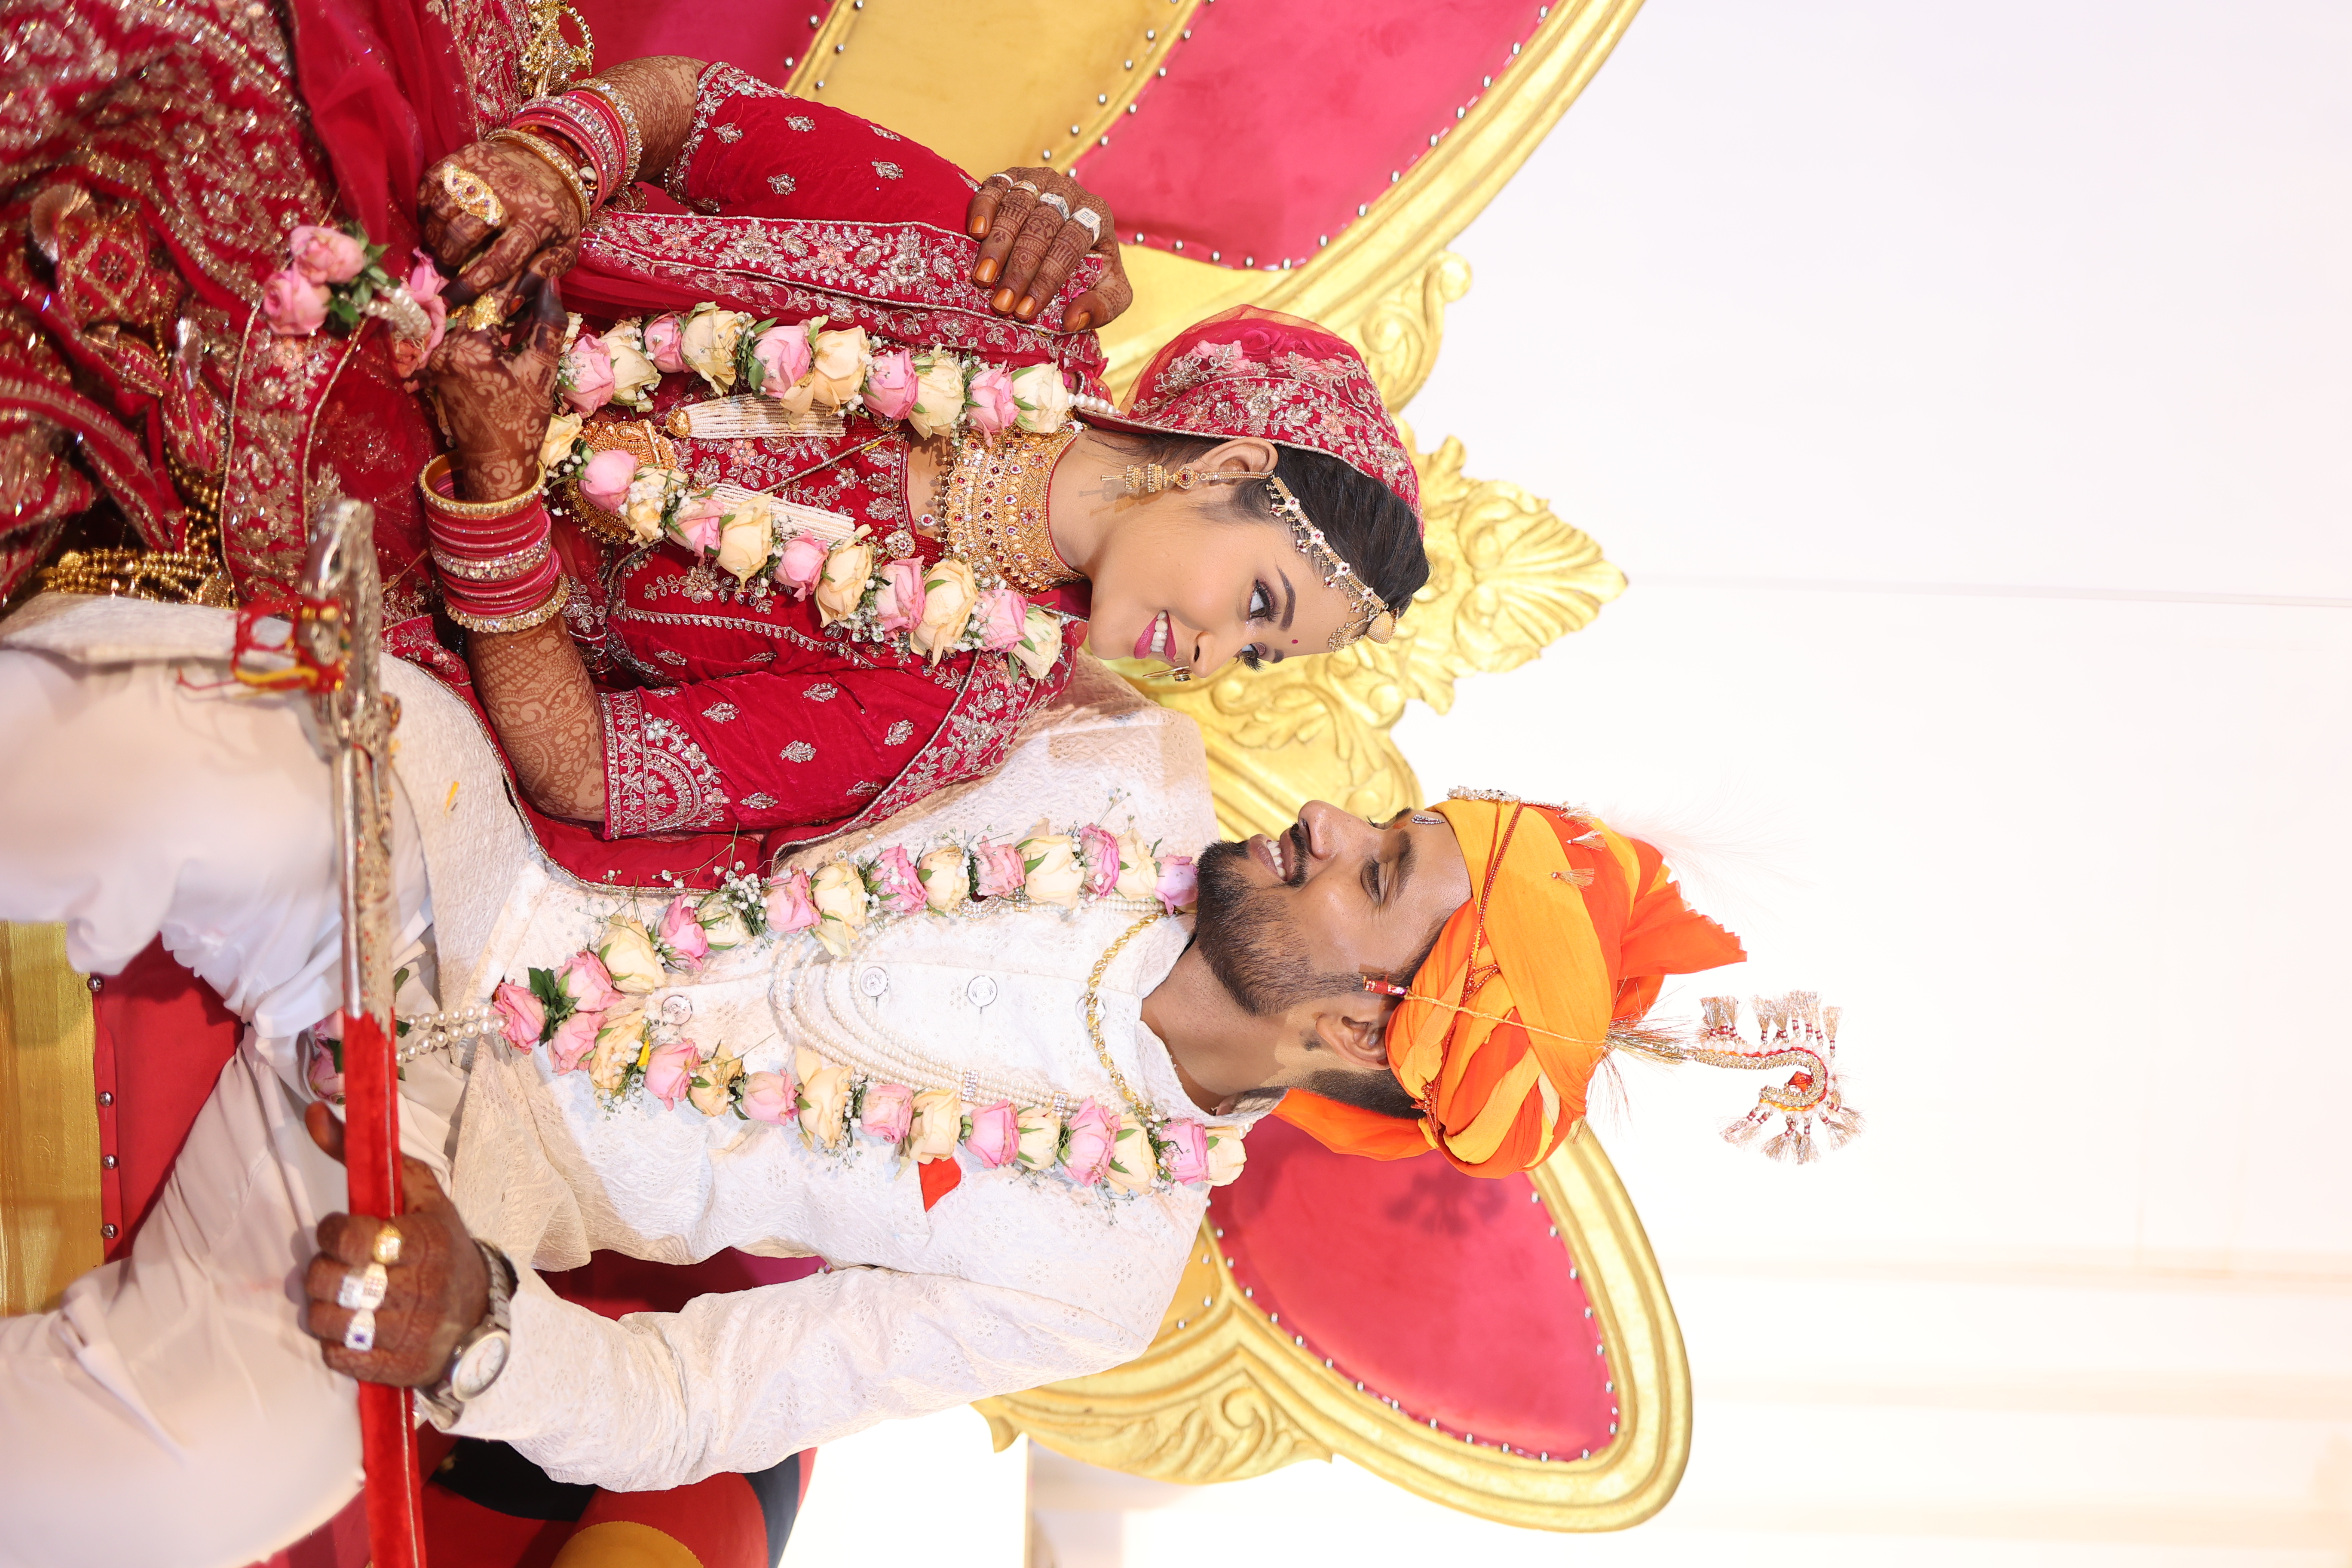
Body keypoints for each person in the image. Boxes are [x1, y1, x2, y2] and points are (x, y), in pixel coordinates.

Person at [0, 582, 1755, 1562]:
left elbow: (711, 1399)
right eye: (1393, 827)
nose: (1323, 812)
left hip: (446, 1182)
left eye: (1373, 874)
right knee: (144, 794)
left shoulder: (1099, 1281)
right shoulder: (1109, 760)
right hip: (462, 859)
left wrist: (477, 1329)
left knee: (165, 1488)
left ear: (1359, 1037)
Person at [405, 57, 1429, 847]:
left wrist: (492, 496)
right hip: (457, 241)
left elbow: (588, 768)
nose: (1211, 661)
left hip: (404, 553)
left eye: (1254, 658)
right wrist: (552, 162)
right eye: (1258, 606)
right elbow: (704, 117)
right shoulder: (999, 279)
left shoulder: (959, 702)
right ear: (1229, 468)